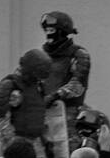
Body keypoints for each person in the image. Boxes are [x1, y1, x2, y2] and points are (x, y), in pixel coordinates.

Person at [0, 49, 55, 158]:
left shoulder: (38, 86)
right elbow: (2, 120)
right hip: (17, 141)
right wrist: (11, 145)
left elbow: (40, 115)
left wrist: (47, 141)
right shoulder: (9, 85)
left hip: (36, 140)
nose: (39, 78)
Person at [38, 11, 91, 150]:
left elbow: (77, 84)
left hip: (69, 112)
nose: (49, 34)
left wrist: (55, 95)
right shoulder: (42, 55)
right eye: (47, 30)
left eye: (52, 30)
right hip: (44, 111)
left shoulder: (78, 54)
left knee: (67, 149)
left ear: (62, 31)